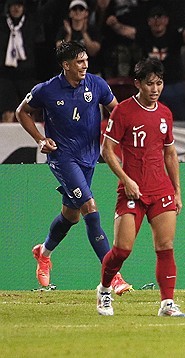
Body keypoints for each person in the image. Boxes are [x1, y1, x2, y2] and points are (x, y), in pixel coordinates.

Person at [15, 41, 132, 294]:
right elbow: (22, 112)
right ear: (66, 65)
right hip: (62, 158)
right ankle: (113, 276)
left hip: (89, 158)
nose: (85, 65)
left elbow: (117, 112)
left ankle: (43, 252)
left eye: (86, 60)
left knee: (71, 215)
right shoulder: (46, 90)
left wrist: (129, 132)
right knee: (90, 208)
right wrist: (40, 139)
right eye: (79, 62)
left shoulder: (97, 84)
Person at [97, 57, 185, 317]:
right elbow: (107, 150)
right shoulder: (123, 111)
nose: (155, 89)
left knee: (165, 246)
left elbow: (170, 153)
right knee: (122, 249)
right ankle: (104, 290)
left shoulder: (165, 113)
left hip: (160, 189)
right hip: (132, 191)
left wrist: (176, 190)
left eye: (159, 83)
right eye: (150, 84)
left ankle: (167, 304)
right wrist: (126, 179)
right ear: (138, 84)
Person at [106, 4, 185, 121]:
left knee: (183, 119)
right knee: (148, 120)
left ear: (166, 20)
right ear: (149, 21)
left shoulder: (175, 34)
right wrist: (114, 24)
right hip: (152, 87)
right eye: (154, 18)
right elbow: (125, 31)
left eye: (160, 17)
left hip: (174, 84)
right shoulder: (144, 35)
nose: (157, 21)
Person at [0, 0, 38, 123]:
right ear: (8, 7)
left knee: (29, 112)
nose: (16, 8)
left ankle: (34, 141)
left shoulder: (31, 24)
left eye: (19, 5)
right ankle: (5, 142)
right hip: (5, 75)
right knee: (8, 112)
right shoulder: (2, 24)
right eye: (13, 5)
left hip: (26, 74)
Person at [55, 0, 103, 74]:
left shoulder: (93, 30)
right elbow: (62, 53)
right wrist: (69, 34)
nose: (77, 11)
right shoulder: (63, 30)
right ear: (70, 13)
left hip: (91, 73)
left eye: (81, 9)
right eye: (74, 9)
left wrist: (84, 33)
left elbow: (93, 52)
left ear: (86, 13)